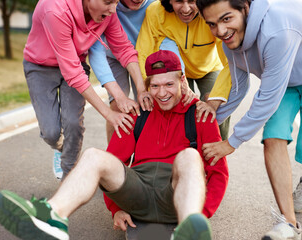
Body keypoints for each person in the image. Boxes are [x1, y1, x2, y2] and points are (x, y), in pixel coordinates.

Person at [0, 50, 229, 240]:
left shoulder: (201, 115)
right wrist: (116, 209)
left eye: (169, 84)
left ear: (182, 81)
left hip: (177, 196)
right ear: (146, 85)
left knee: (189, 156)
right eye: (155, 86)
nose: (162, 93)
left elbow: (218, 173)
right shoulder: (139, 112)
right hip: (138, 192)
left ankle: (189, 230)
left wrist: (202, 214)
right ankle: (51, 217)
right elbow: (114, 162)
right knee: (95, 155)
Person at [196, 0, 302, 239]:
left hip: (284, 79)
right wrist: (211, 118)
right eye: (212, 24)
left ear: (245, 6)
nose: (220, 31)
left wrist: (231, 142)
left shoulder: (277, 32)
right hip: (286, 84)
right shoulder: (229, 43)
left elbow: (267, 98)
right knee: (273, 136)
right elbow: (238, 88)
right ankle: (289, 224)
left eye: (226, 19)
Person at [23, 0, 153, 180]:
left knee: (74, 124)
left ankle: (69, 176)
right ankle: (62, 148)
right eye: (108, 2)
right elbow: (72, 72)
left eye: (116, 2)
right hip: (40, 67)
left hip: (76, 62)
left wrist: (141, 89)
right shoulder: (55, 10)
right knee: (51, 133)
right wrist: (108, 113)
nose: (114, 9)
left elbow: (123, 48)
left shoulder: (107, 13)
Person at [88, 0, 195, 143]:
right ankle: (115, 157)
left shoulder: (156, 4)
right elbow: (97, 51)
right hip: (113, 56)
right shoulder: (108, 6)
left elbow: (166, 37)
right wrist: (119, 97)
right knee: (118, 107)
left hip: (146, 56)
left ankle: (147, 154)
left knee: (148, 103)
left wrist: (177, 72)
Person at [136, 0, 232, 141]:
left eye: (192, 1)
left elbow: (230, 62)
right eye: (179, 1)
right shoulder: (155, 12)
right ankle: (183, 152)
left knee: (219, 103)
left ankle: (218, 149)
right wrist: (147, 87)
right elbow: (143, 52)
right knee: (181, 105)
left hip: (209, 68)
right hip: (175, 71)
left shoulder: (212, 11)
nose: (186, 9)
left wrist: (215, 99)